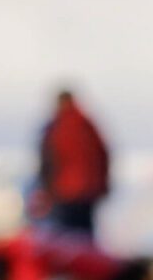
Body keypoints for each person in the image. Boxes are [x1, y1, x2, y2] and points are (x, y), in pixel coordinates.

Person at [37, 88, 111, 237]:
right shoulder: (88, 125)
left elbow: (49, 160)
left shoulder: (56, 127)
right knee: (85, 234)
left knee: (67, 236)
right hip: (89, 191)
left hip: (64, 191)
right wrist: (103, 186)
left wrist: (46, 188)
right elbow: (104, 155)